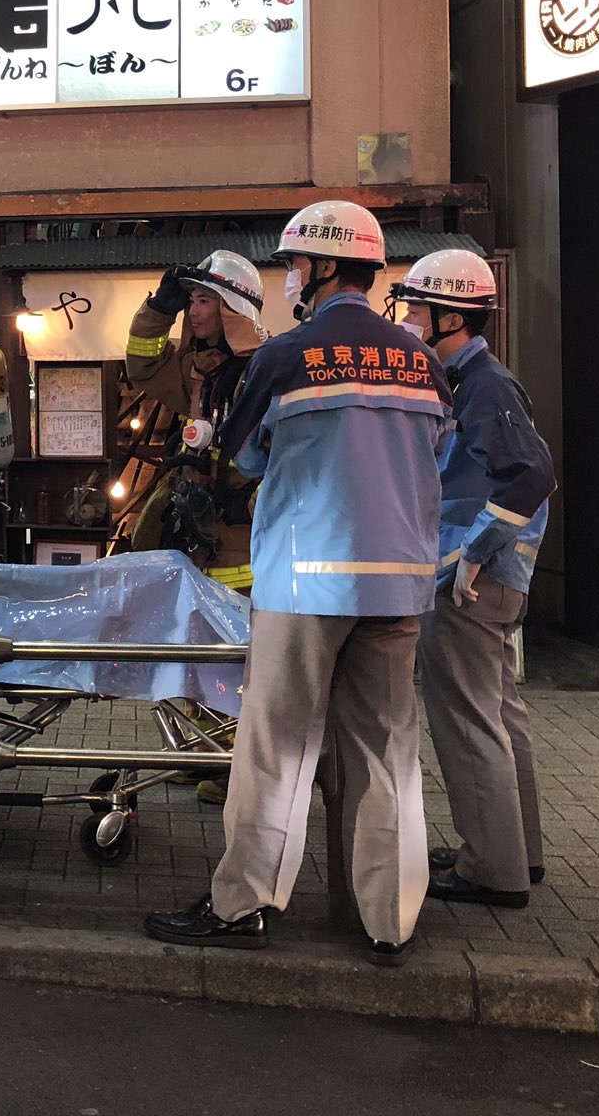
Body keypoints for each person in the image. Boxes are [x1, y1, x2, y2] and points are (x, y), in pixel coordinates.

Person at [144, 202, 451, 964]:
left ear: (320, 267)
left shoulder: (286, 356)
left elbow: (243, 454)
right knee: (388, 757)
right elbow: (438, 451)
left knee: (276, 749)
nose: (289, 277)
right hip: (400, 584)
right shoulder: (423, 361)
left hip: (306, 580)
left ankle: (243, 903)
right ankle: (390, 921)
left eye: (294, 264)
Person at [388, 248, 554, 909]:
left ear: (452, 317)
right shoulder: (467, 379)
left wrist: (474, 555)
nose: (408, 317)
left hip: (470, 582)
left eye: (417, 307)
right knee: (499, 715)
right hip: (488, 578)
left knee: (467, 722)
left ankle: (491, 869)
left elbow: (531, 475)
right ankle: (516, 852)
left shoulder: (483, 384)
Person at [125, 250, 268, 804]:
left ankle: (239, 766)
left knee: (238, 646)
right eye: (191, 301)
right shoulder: (195, 370)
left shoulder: (263, 371)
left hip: (239, 536)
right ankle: (204, 750)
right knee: (199, 641)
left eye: (204, 300)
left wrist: (245, 499)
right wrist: (157, 310)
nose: (195, 311)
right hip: (197, 525)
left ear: (233, 309)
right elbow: (141, 365)